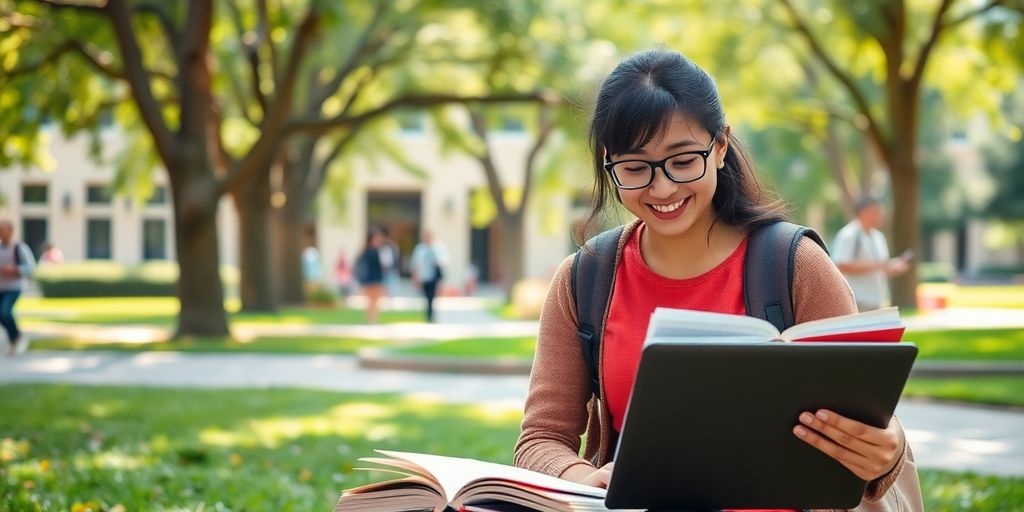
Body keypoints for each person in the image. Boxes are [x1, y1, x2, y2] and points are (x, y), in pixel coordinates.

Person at [513, 49, 922, 512]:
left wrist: (885, 448)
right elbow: (540, 439)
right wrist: (585, 478)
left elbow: (868, 420)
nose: (662, 188)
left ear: (721, 146)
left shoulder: (795, 265)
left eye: (683, 160)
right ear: (610, 163)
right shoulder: (584, 279)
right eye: (634, 168)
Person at [832, 196, 911, 312]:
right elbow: (842, 265)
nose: (881, 216)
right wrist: (879, 265)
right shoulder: (849, 235)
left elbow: (882, 268)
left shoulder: (878, 236)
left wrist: (894, 267)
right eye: (876, 212)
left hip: (877, 302)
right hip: (857, 302)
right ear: (863, 212)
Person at [0, 220, 35, 356]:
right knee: (1, 315)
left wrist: (15, 270)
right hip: (1, 288)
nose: (1, 233)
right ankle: (15, 338)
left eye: (3, 230)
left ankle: (17, 338)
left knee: (5, 311)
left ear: (11, 231)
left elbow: (31, 268)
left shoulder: (19, 248)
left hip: (14, 287)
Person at [410, 230, 447, 322]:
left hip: (434, 277)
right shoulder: (419, 249)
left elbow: (443, 262)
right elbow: (415, 265)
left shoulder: (438, 248)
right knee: (427, 297)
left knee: (432, 296)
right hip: (424, 277)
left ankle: (431, 314)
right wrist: (415, 279)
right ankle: (428, 314)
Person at [356, 228, 387, 324]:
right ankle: (372, 319)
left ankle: (370, 319)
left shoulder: (364, 252)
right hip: (374, 279)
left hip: (368, 280)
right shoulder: (376, 252)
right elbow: (382, 266)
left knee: (371, 301)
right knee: (374, 301)